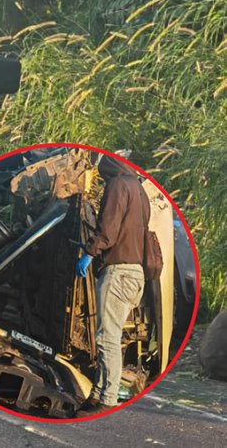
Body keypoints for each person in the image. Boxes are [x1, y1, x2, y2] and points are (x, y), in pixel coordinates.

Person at [74, 154, 151, 417]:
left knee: (107, 337)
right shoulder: (139, 190)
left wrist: (90, 252)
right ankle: (97, 393)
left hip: (118, 271)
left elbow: (109, 227)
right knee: (111, 335)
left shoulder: (118, 185)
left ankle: (107, 398)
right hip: (136, 274)